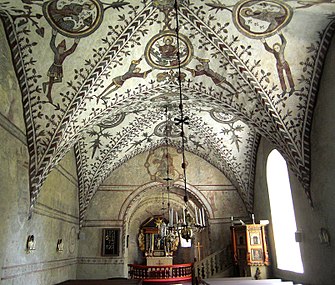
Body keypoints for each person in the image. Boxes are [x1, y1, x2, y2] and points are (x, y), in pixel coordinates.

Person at [43, 29, 80, 103]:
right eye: (60, 48)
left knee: (59, 80)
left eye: (63, 49)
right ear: (58, 48)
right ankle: (48, 94)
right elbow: (52, 44)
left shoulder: (64, 54)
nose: (62, 50)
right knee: (51, 80)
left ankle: (46, 83)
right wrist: (54, 35)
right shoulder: (56, 52)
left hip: (59, 68)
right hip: (54, 67)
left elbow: (71, 51)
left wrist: (75, 43)